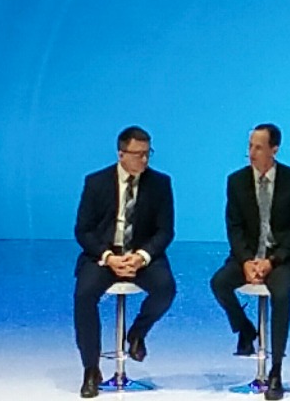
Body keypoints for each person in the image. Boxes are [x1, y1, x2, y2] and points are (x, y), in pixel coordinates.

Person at [72, 126, 176, 398]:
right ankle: (91, 369)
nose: (144, 159)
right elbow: (83, 230)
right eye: (138, 154)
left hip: (141, 257)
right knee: (84, 295)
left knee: (165, 288)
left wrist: (141, 256)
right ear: (121, 154)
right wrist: (109, 257)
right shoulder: (96, 182)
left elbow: (165, 231)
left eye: (148, 153)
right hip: (105, 256)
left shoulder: (160, 183)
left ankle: (137, 333)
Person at [208, 123, 290, 400]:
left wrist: (272, 261)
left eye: (258, 147)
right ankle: (245, 329)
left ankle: (276, 370)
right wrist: (246, 261)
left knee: (281, 294)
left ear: (274, 150)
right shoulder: (236, 181)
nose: (252, 153)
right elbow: (234, 227)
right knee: (219, 283)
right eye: (250, 146)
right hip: (247, 257)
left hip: (282, 259)